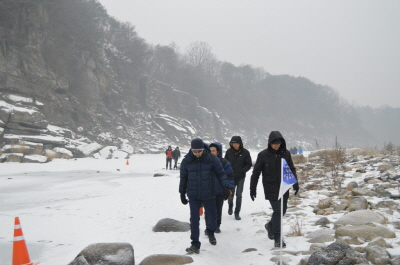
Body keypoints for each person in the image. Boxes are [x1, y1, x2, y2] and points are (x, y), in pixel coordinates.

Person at [179, 138, 232, 254]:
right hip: (193, 195)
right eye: (195, 151)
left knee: (212, 217)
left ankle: (210, 231)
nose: (197, 153)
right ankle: (195, 244)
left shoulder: (212, 159)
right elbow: (183, 178)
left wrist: (226, 188)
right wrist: (182, 193)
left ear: (203, 149)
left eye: (199, 151)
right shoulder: (186, 161)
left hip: (208, 194)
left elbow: (221, 174)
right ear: (191, 150)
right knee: (194, 220)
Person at [249, 131, 299, 248]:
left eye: (278, 142)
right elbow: (256, 173)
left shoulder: (286, 154)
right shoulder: (263, 155)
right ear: (269, 143)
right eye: (274, 143)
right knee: (278, 210)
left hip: (284, 185)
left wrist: (295, 184)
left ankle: (270, 225)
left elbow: (291, 169)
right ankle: (277, 237)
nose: (276, 145)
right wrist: (252, 188)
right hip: (270, 186)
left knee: (283, 210)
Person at [203, 142, 234, 233]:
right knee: (208, 210)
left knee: (218, 209)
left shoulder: (224, 163)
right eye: (210, 150)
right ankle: (208, 227)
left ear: (218, 152)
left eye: (213, 150)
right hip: (208, 190)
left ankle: (217, 225)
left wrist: (230, 188)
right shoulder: (205, 162)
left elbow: (230, 177)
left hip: (220, 190)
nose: (211, 152)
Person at [224, 136, 252, 220]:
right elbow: (225, 162)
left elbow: (249, 164)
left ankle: (237, 213)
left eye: (237, 144)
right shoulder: (228, 152)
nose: (235, 145)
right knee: (230, 194)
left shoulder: (245, 152)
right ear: (231, 144)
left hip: (240, 177)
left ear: (240, 144)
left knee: (239, 195)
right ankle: (230, 206)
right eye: (234, 144)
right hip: (230, 177)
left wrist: (243, 170)